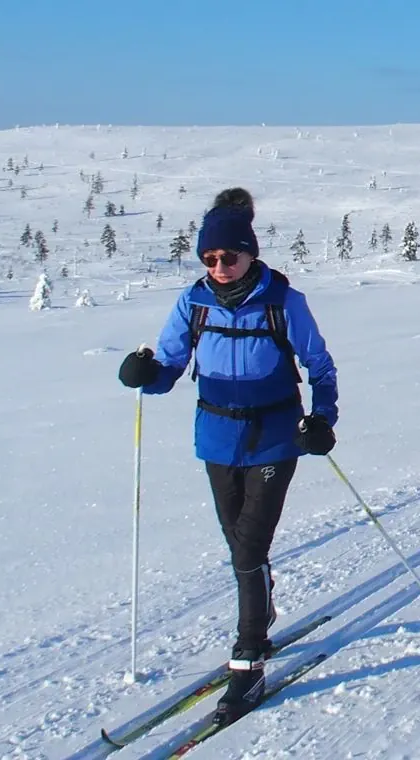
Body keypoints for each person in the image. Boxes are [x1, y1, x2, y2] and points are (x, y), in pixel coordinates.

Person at [115, 187, 338, 722]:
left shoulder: (284, 302)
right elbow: (169, 367)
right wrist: (144, 374)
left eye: (228, 256)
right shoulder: (193, 303)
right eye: (209, 258)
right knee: (240, 543)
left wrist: (323, 418)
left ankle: (249, 655)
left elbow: (320, 366)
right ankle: (262, 606)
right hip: (216, 438)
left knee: (249, 546)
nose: (219, 267)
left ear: (249, 253)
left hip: (275, 436)